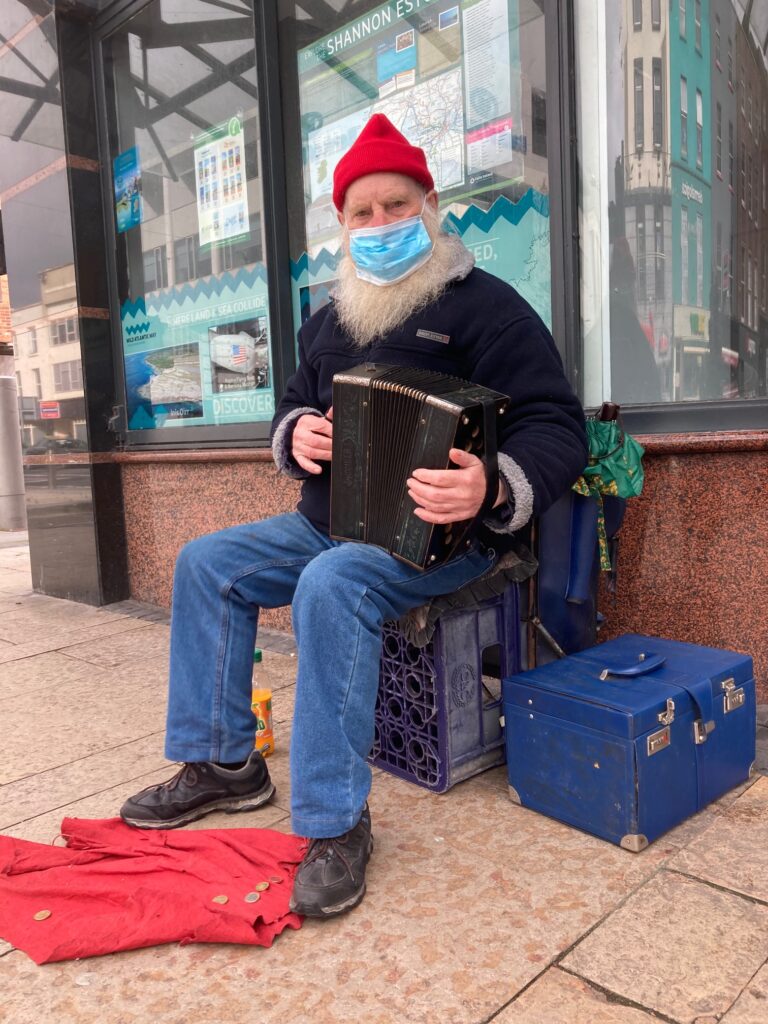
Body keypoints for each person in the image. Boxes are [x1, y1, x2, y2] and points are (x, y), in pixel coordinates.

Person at [120, 115, 588, 918]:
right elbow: (296, 404)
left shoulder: (488, 308)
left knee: (334, 584)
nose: (379, 226)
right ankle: (225, 764)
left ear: (429, 205)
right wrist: (291, 433)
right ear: (341, 225)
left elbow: (557, 425)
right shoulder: (330, 317)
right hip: (325, 520)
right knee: (206, 562)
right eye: (361, 213)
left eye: (395, 205)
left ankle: (336, 821)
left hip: (442, 537)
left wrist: (494, 485)